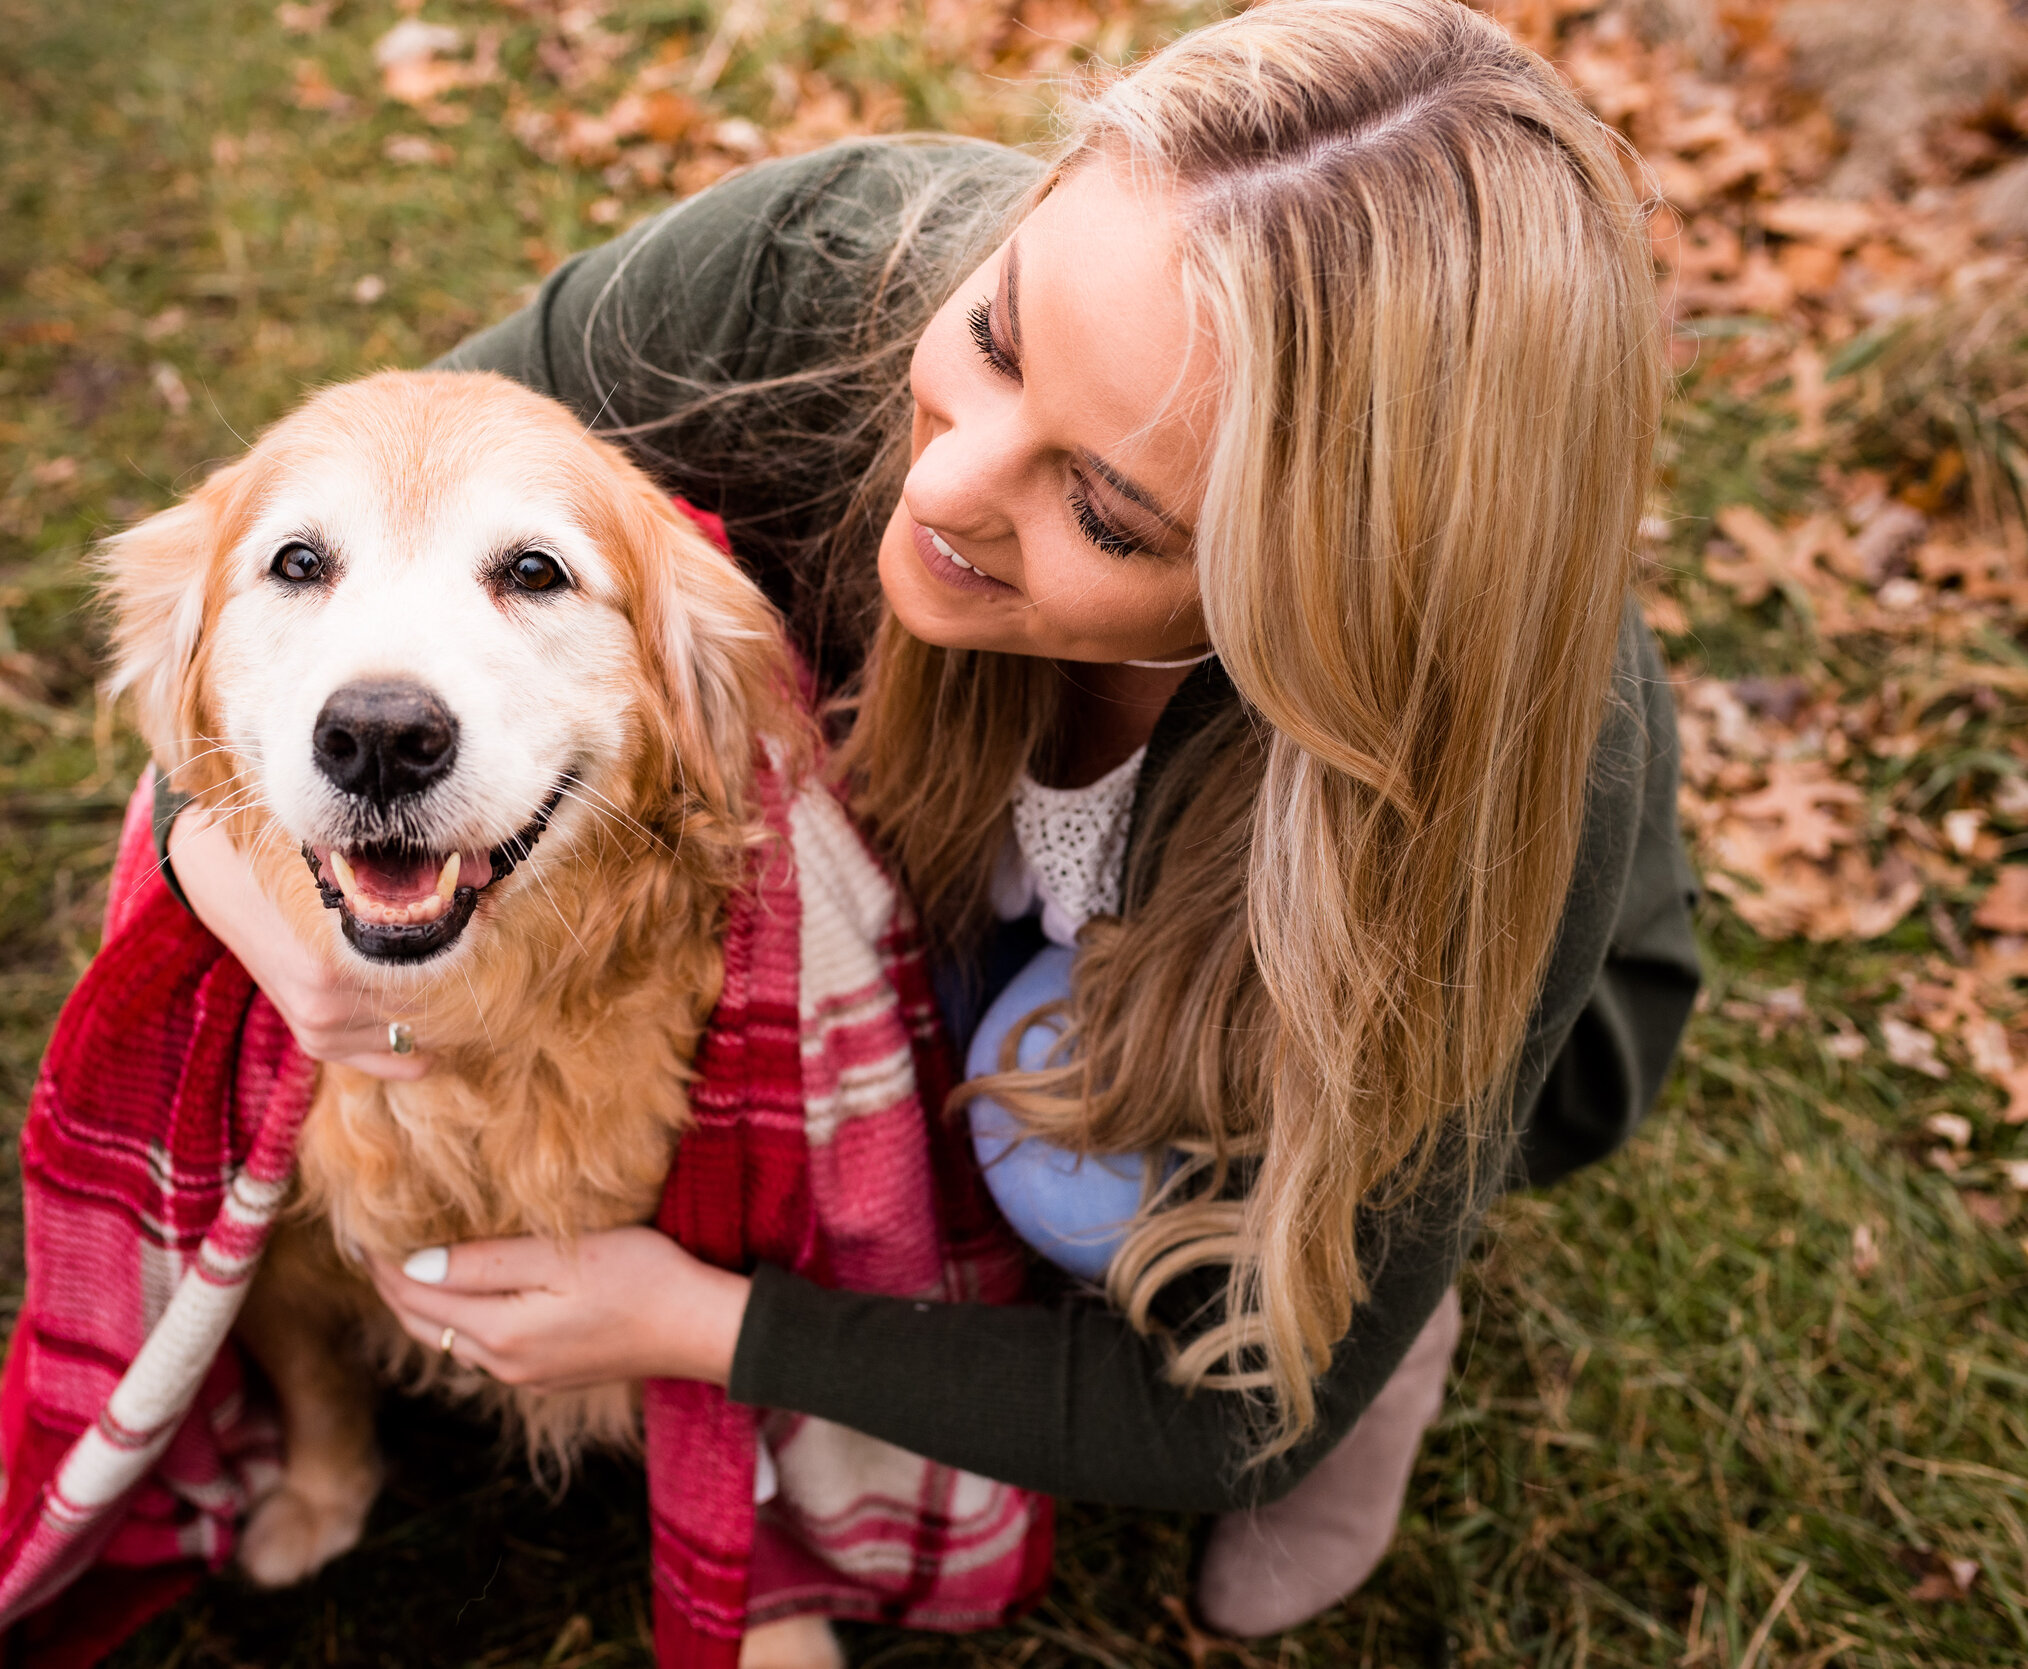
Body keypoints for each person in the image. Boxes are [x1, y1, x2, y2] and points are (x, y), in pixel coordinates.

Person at [159, 0, 1700, 1640]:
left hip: (1304, 971)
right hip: (948, 818)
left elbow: (1236, 1416)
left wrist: (708, 1323)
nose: (949, 491)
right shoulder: (821, 262)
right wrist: (227, 872)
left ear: (1317, 597)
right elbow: (280, 576)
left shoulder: (1476, 789)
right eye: (1002, 338)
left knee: (1067, 1177)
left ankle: (1376, 1259)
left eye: (1106, 506)